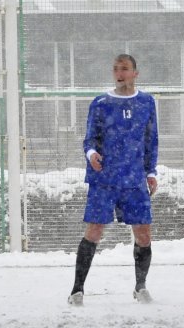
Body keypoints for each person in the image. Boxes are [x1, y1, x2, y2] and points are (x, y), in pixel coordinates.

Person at [68, 54, 159, 307]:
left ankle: (140, 287)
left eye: (125, 68)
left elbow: (151, 140)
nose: (119, 73)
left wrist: (151, 172)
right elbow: (89, 140)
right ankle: (77, 290)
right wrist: (91, 154)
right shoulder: (101, 103)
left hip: (134, 179)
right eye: (116, 69)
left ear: (135, 73)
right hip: (105, 179)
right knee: (94, 231)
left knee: (143, 234)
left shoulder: (146, 102)